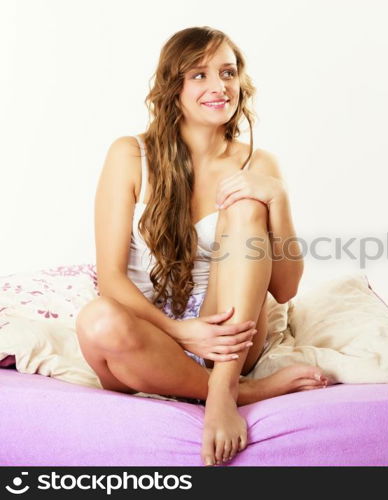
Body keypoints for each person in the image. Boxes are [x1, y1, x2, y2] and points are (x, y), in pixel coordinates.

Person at [75, 26, 328, 467]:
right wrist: (179, 331)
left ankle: (223, 391)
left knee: (248, 202)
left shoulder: (258, 163)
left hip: (228, 336)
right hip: (147, 334)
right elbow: (111, 278)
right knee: (96, 321)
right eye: (199, 75)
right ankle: (246, 391)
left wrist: (277, 199)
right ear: (173, 87)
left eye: (227, 73)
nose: (219, 86)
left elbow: (285, 290)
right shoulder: (129, 154)